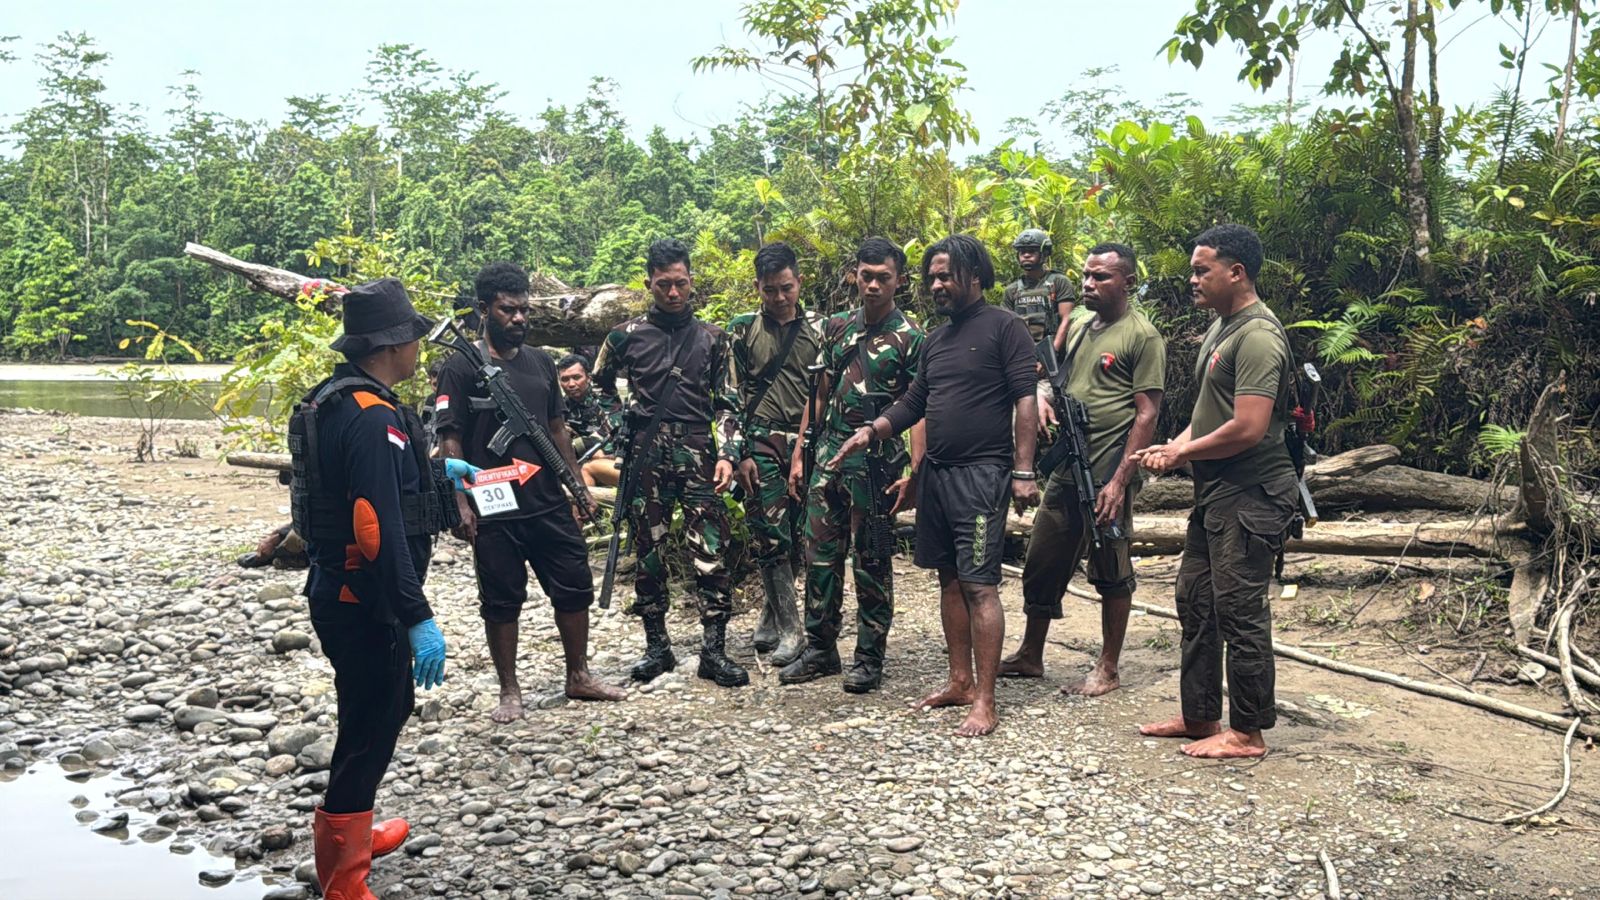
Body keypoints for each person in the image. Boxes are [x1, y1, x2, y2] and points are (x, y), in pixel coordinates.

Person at [291, 278, 476, 900]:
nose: (419, 347)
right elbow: (376, 527)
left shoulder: (340, 400)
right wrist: (416, 615)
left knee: (382, 708)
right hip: (363, 600)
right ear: (394, 344)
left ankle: (354, 832)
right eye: (414, 338)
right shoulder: (371, 417)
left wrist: (435, 471)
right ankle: (344, 879)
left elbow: (369, 482)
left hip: (345, 590)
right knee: (370, 724)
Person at [832, 235, 1040, 735]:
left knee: (979, 585)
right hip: (938, 474)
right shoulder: (936, 339)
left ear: (975, 275)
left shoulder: (1005, 327)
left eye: (946, 275)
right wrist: (873, 430)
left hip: (982, 474)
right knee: (949, 579)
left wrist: (1024, 470)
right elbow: (914, 402)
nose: (937, 285)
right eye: (932, 278)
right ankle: (960, 681)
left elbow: (1025, 399)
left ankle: (986, 700)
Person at [1134, 224, 1297, 760]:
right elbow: (1212, 415)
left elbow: (1248, 427)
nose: (1192, 279)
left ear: (1237, 272)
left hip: (1252, 493)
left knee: (1239, 610)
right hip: (1218, 493)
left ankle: (1248, 732)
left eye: (1202, 270)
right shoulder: (1223, 328)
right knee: (1197, 601)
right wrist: (1174, 446)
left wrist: (1184, 454)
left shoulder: (1259, 336)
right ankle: (1200, 715)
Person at [435, 262, 625, 722]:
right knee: (501, 599)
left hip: (545, 499)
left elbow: (556, 428)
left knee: (574, 585)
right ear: (484, 310)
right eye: (508, 310)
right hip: (493, 503)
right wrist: (460, 502)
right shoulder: (460, 367)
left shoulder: (541, 362)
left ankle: (578, 675)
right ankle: (509, 690)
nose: (518, 318)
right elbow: (449, 439)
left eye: (524, 310)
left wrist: (577, 487)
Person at [1000, 242, 1165, 695]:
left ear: (1128, 282)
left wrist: (1120, 480)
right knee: (1042, 559)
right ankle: (1031, 653)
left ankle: (1108, 667)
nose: (1089, 284)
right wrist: (1042, 398)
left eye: (1101, 277)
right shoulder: (1076, 326)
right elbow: (1054, 379)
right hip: (1068, 466)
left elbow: (1147, 413)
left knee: (1111, 565)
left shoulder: (1142, 336)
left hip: (1108, 469)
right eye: (1086, 276)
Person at [593, 238, 748, 688]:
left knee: (711, 549)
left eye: (680, 283)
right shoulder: (624, 335)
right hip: (644, 452)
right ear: (649, 285)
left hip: (698, 450)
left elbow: (730, 402)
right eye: (664, 285)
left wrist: (728, 454)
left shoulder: (714, 338)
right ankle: (656, 646)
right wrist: (617, 426)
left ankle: (713, 650)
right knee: (648, 550)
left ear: (691, 281)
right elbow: (599, 387)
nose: (674, 293)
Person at [777, 237, 925, 694]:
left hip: (877, 466)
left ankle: (869, 657)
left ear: (899, 280)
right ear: (854, 276)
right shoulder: (836, 326)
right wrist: (801, 453)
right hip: (828, 458)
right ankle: (821, 648)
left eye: (883, 277)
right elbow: (819, 393)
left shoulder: (912, 337)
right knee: (820, 557)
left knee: (871, 560)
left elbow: (920, 408)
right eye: (866, 276)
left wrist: (915, 472)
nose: (873, 285)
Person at [725, 242, 823, 660]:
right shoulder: (742, 330)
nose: (780, 298)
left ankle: (771, 615)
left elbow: (825, 391)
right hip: (761, 440)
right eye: (770, 290)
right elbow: (730, 395)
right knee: (769, 533)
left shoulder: (821, 329)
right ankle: (790, 630)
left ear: (799, 282)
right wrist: (739, 453)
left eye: (787, 288)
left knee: (800, 532)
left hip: (807, 441)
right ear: (757, 288)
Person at [1004, 228, 1076, 352]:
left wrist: (1051, 354)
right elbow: (1006, 327)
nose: (1026, 255)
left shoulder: (1059, 282)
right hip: (1022, 352)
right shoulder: (1012, 290)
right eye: (1022, 252)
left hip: (1054, 352)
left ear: (1044, 254)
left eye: (1032, 251)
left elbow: (1067, 319)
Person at [557, 354, 622, 488]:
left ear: (588, 378)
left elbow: (609, 431)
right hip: (585, 461)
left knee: (587, 468)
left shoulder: (605, 397)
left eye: (576, 377)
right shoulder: (562, 407)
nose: (571, 384)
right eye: (565, 379)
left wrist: (578, 443)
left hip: (615, 461)